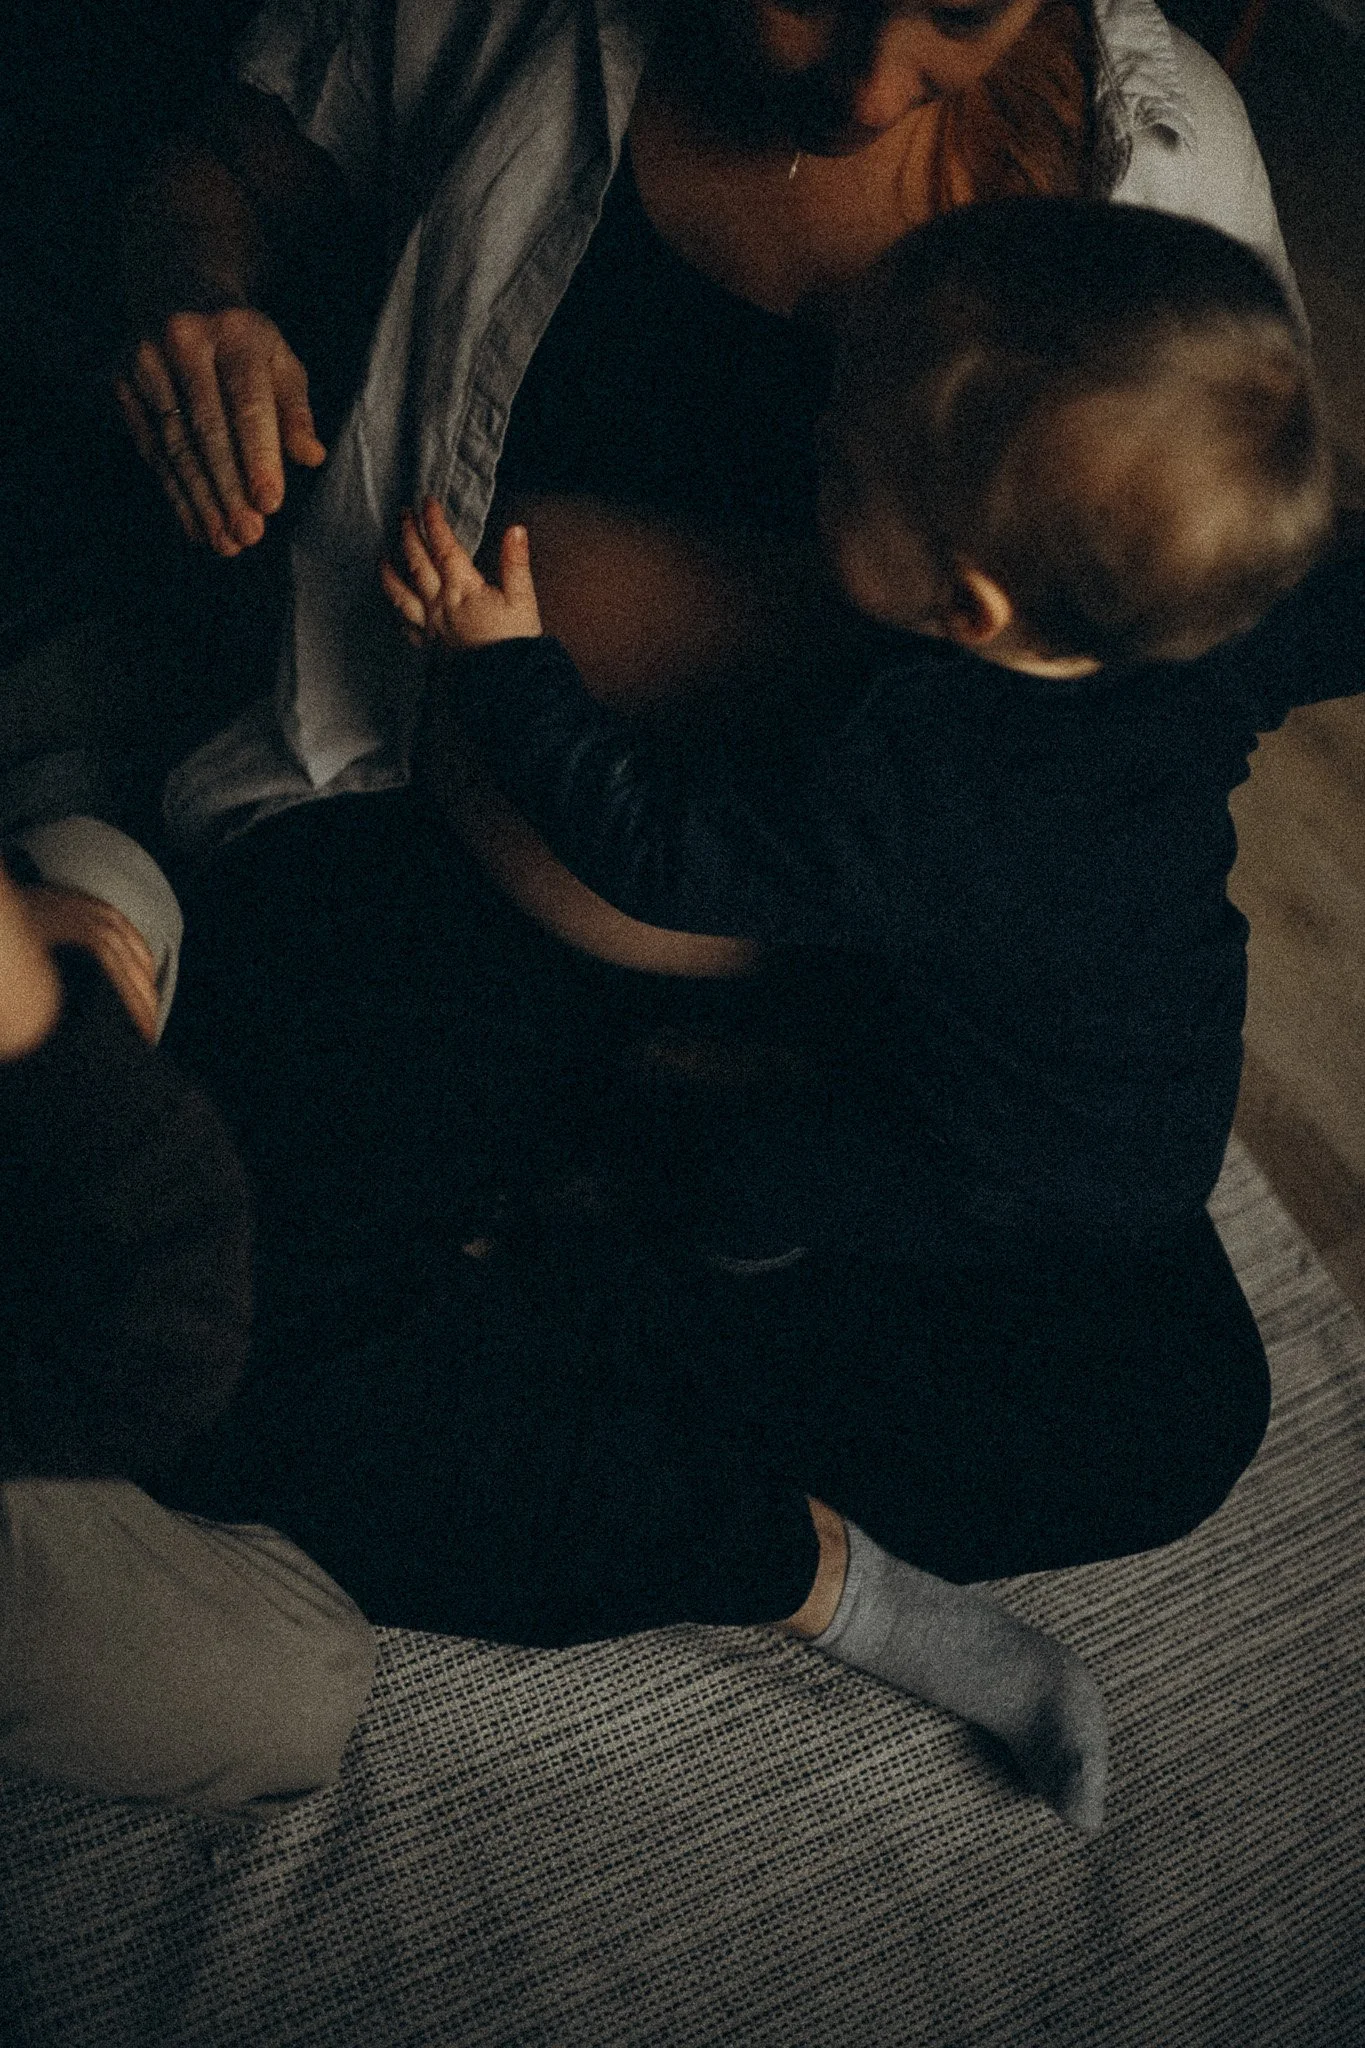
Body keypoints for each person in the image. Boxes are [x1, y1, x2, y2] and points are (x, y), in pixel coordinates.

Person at [0, 840, 1109, 1831]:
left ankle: (766, 1526)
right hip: (137, 1363)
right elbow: (161, 1342)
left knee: (113, 873)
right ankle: (815, 1573)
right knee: (296, 1686)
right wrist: (55, 1041)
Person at [110, 0, 1302, 906]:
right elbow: (220, 170)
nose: (873, 94)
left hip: (859, 976)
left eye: (960, 13)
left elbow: (1199, 642)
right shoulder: (515, 26)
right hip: (409, 801)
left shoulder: (1163, 168)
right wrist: (194, 294)